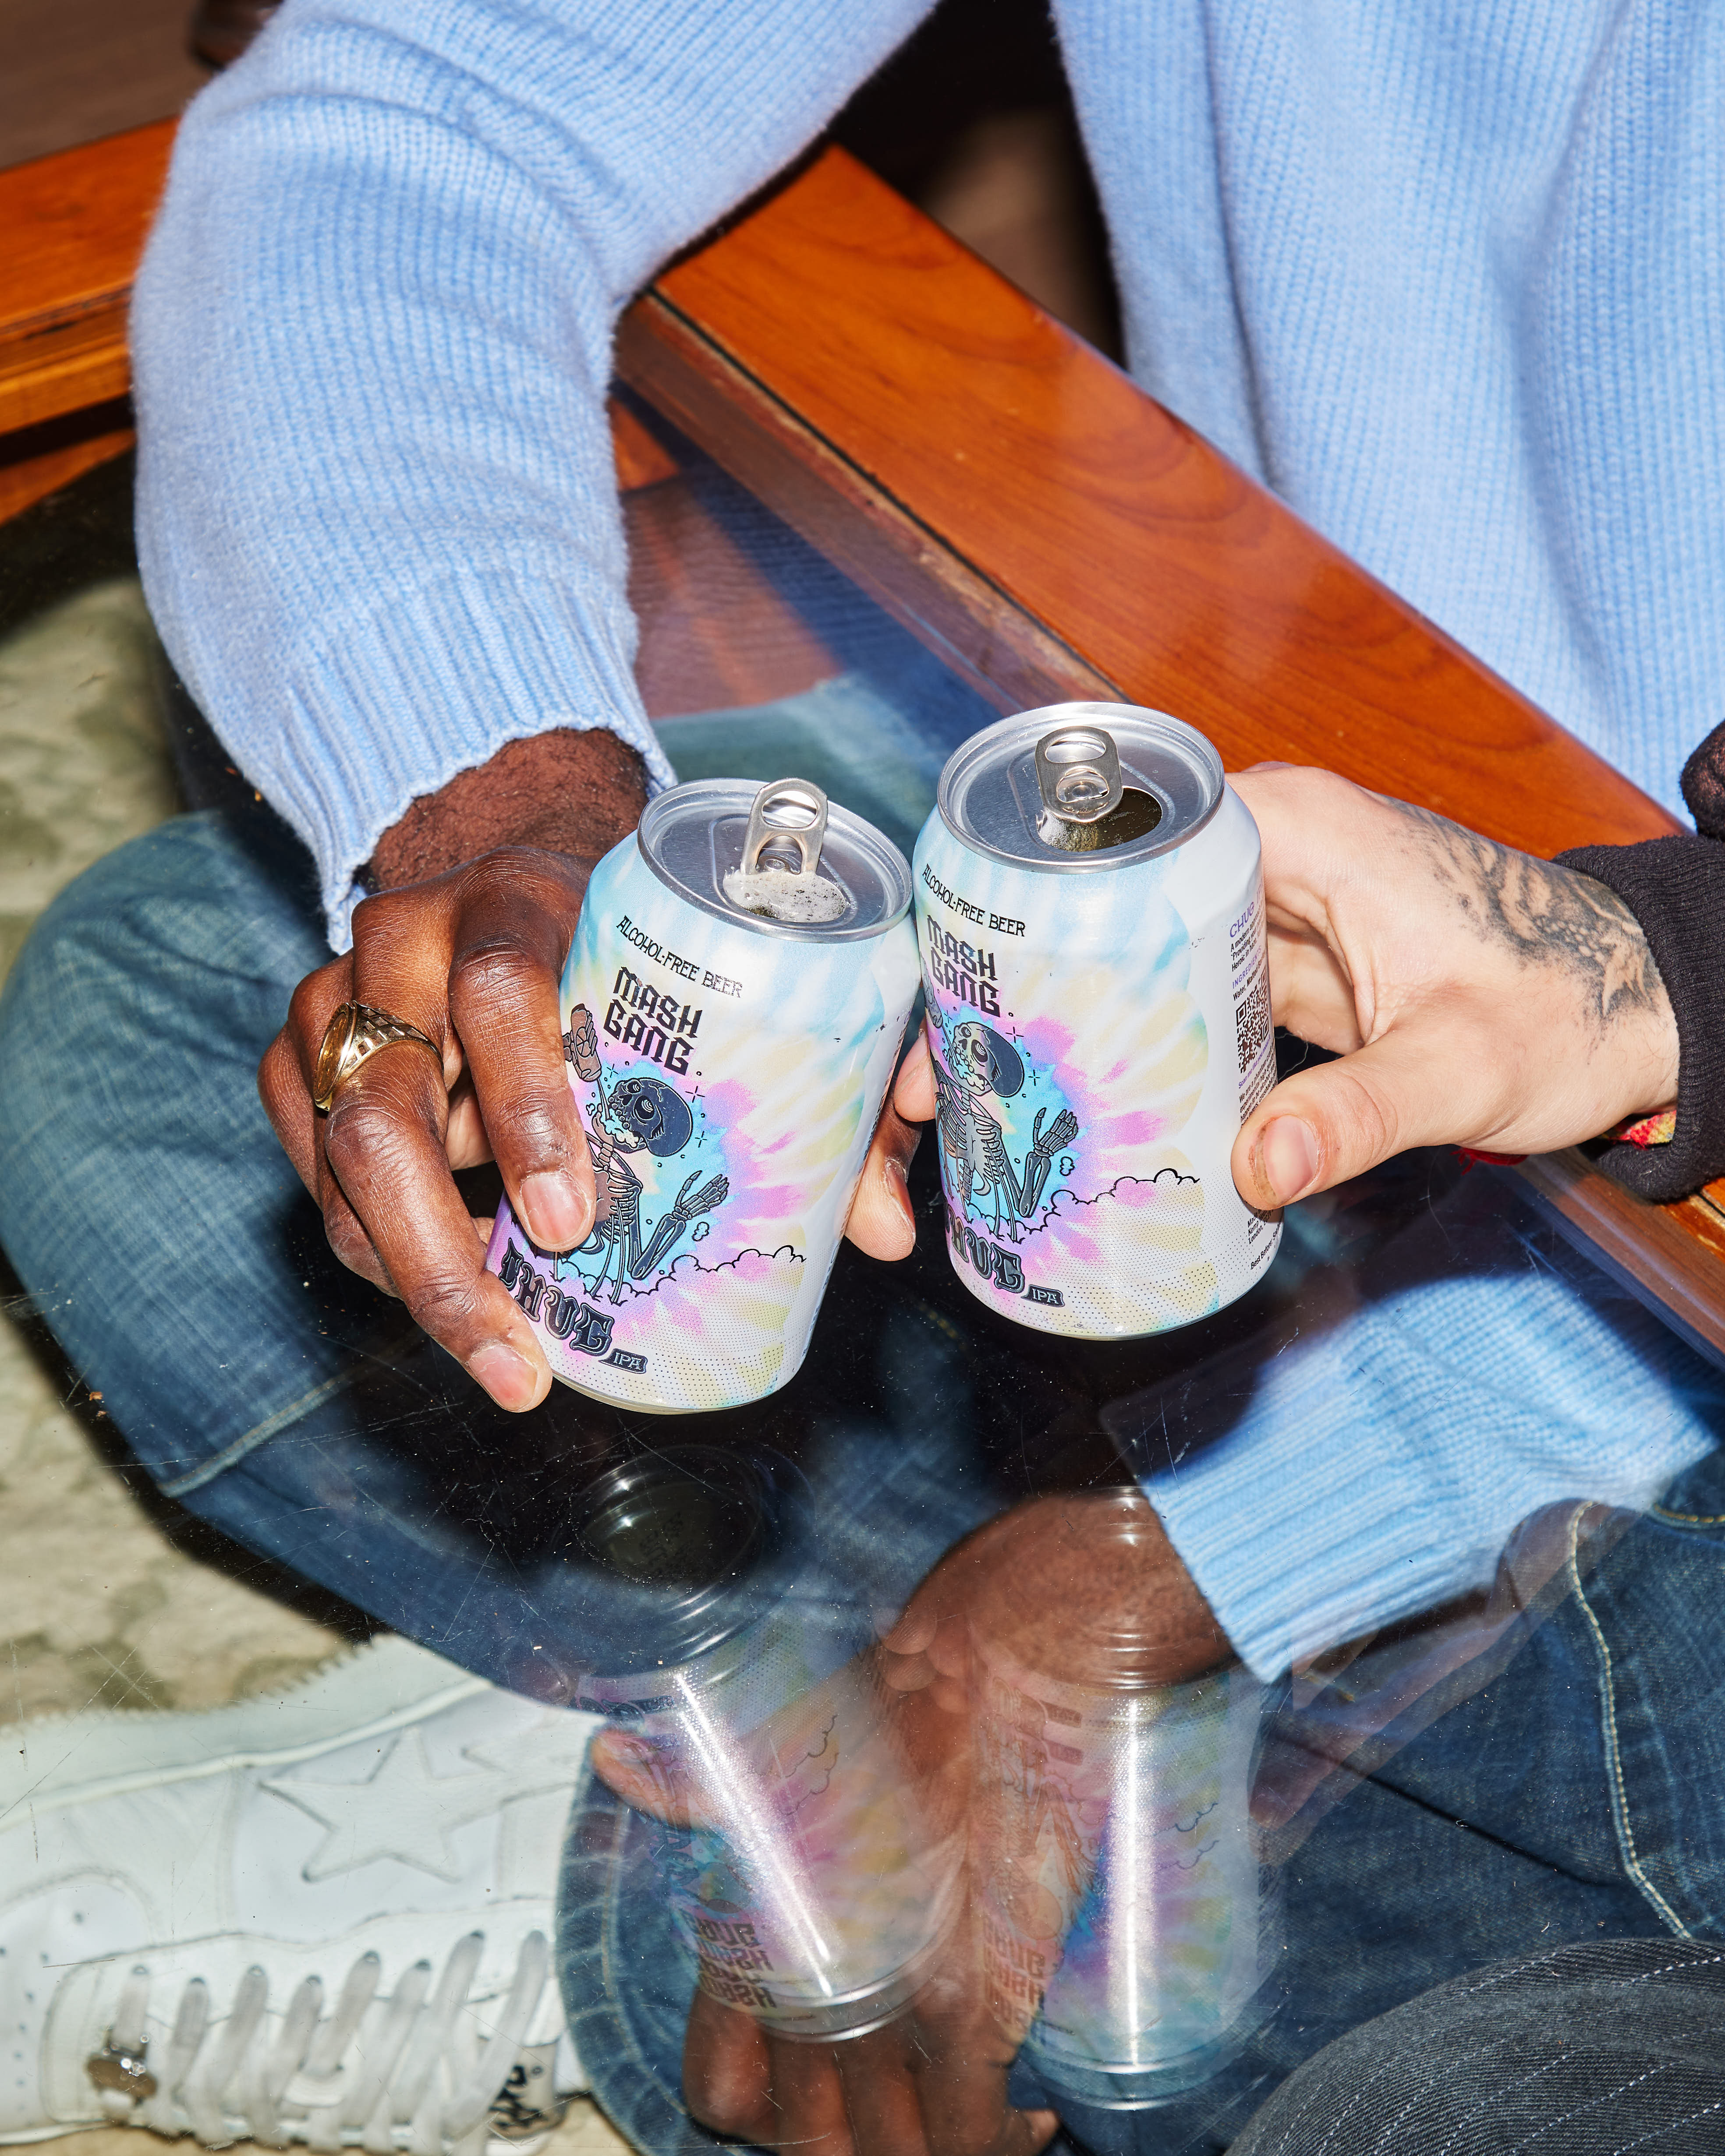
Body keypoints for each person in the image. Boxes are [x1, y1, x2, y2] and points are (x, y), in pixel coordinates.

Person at [4, 1, 1725, 2151]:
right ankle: (1026, 1889)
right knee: (169, 1007)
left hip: (1681, 1341)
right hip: (1275, 983)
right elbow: (427, 106)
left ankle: (711, 1850)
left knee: (1459, 2109)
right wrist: (492, 792)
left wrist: (1182, 1560)